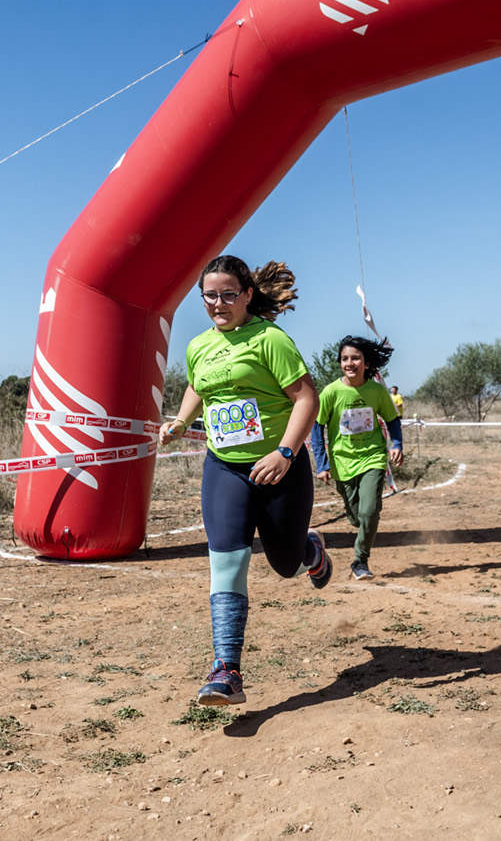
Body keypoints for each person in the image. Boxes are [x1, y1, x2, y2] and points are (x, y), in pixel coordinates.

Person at [160, 255, 329, 706]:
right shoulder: (199, 346)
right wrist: (180, 421)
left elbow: (306, 398)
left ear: (248, 295)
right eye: (210, 296)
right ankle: (226, 671)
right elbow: (197, 385)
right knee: (227, 562)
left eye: (228, 294)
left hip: (279, 468)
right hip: (225, 469)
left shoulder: (270, 339)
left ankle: (311, 551)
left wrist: (286, 452)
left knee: (285, 563)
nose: (218, 304)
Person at [310, 336, 403, 581]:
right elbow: (317, 427)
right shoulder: (331, 392)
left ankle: (360, 560)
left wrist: (396, 445)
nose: (350, 363)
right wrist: (322, 464)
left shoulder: (376, 391)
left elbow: (392, 419)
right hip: (342, 462)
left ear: (366, 362)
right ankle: (360, 523)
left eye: (355, 358)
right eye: (345, 359)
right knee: (357, 518)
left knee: (370, 511)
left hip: (372, 456)